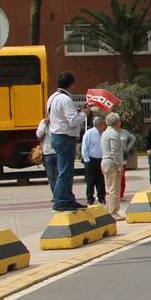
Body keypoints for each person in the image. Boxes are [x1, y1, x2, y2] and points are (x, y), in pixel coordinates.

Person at [45, 71, 88, 211]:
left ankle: (67, 198)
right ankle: (61, 201)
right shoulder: (66, 99)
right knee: (65, 171)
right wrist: (84, 114)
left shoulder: (52, 98)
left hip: (56, 136)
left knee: (64, 170)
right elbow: (73, 121)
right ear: (72, 84)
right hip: (65, 137)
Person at [100, 112, 126, 219]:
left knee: (110, 187)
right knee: (114, 189)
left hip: (105, 161)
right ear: (117, 122)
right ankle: (113, 212)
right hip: (112, 163)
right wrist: (120, 165)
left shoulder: (105, 133)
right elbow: (115, 151)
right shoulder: (113, 134)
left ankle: (111, 210)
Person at [81, 115, 106, 207]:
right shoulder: (89, 133)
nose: (105, 125)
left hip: (101, 159)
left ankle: (101, 197)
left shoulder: (104, 133)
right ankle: (90, 198)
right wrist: (86, 160)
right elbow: (84, 147)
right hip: (91, 160)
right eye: (103, 123)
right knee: (91, 180)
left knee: (101, 180)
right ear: (99, 124)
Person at [36, 115, 58, 193]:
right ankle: (55, 194)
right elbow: (38, 135)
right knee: (51, 176)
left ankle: (60, 194)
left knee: (59, 175)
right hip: (47, 153)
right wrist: (45, 124)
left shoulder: (58, 121)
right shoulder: (43, 122)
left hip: (58, 153)